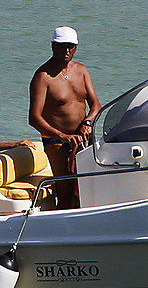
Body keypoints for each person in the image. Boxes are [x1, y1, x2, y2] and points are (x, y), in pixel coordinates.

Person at [29, 27, 101, 208]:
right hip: (57, 143)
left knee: (85, 187)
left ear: (76, 47)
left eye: (70, 46)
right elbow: (34, 118)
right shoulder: (43, 77)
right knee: (66, 188)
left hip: (83, 138)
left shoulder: (81, 70)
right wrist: (62, 136)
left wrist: (88, 122)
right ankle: (61, 227)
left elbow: (95, 105)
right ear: (53, 46)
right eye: (62, 46)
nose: (66, 51)